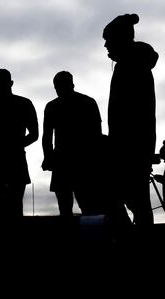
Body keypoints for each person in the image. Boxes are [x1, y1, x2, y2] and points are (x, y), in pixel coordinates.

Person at [103, 14, 159, 226]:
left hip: (131, 146)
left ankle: (135, 243)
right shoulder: (130, 64)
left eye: (109, 40)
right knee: (133, 200)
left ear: (120, 39)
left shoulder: (132, 65)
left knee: (129, 200)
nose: (106, 45)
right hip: (129, 144)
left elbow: (132, 112)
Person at [42, 71, 103, 216]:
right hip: (73, 160)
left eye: (59, 86)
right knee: (80, 206)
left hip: (78, 161)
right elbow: (47, 136)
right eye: (56, 87)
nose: (58, 89)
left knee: (81, 205)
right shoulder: (87, 102)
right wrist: (48, 157)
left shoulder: (53, 106)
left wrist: (49, 157)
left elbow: (47, 136)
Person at [0, 69, 39, 219]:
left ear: (11, 83)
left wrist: (15, 146)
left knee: (13, 205)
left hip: (13, 160)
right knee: (1, 205)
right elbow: (34, 134)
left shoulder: (22, 104)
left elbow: (34, 134)